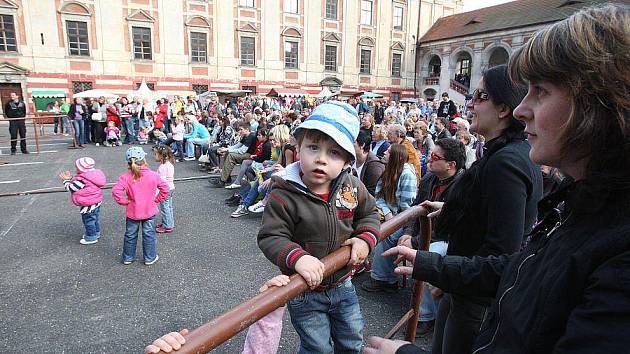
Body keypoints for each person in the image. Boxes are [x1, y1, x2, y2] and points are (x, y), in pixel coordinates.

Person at [368, 4, 630, 354]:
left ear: (597, 105)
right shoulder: (585, 200)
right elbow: (525, 266)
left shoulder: (509, 163)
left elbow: (504, 247)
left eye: (541, 90)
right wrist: (435, 264)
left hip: (474, 304)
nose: (524, 108)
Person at [258, 101, 380, 353]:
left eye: (334, 153)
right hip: (305, 289)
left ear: (347, 160)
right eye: (313, 148)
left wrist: (364, 239)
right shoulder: (284, 193)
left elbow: (369, 214)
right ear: (298, 148)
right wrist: (298, 258)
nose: (321, 160)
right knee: (317, 348)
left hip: (343, 282)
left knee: (352, 340)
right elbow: (272, 236)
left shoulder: (351, 186)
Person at [397, 138, 466, 336]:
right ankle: (382, 278)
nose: (428, 158)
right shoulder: (429, 178)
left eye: (435, 156)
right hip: (424, 233)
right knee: (390, 236)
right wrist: (408, 233)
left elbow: (450, 228)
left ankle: (426, 315)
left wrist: (416, 241)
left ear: (451, 165)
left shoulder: (463, 186)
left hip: (448, 240)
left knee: (427, 257)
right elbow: (416, 209)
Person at [362, 144, 417, 292]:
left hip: (404, 220)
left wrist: (393, 220)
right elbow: (378, 197)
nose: (384, 152)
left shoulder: (407, 175)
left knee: (386, 235)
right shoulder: (388, 170)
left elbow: (408, 208)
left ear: (395, 156)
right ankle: (361, 263)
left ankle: (385, 279)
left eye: (388, 151)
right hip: (389, 215)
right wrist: (387, 213)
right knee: (363, 223)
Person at [112, 147, 169, 265]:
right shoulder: (153, 175)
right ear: (144, 159)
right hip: (149, 211)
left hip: (133, 212)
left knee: (130, 235)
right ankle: (150, 257)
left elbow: (116, 191)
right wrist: (156, 200)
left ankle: (128, 257)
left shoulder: (125, 177)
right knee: (149, 235)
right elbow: (165, 189)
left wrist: (123, 201)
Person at [58, 157, 106, 245]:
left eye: (77, 168)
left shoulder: (82, 180)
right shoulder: (92, 175)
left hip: (88, 205)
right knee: (95, 219)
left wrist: (66, 180)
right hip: (96, 202)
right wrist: (72, 178)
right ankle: (96, 232)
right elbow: (79, 181)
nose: (76, 169)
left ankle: (91, 237)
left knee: (88, 220)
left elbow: (71, 187)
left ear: (81, 169)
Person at [209, 121, 256, 187]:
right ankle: (226, 177)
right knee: (228, 153)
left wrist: (228, 150)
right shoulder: (245, 136)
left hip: (250, 155)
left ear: (247, 129)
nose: (240, 131)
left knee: (231, 155)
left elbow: (242, 151)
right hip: (246, 153)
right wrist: (226, 149)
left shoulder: (251, 136)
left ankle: (222, 181)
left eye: (241, 129)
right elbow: (237, 146)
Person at [354, 129, 385, 197]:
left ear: (362, 145)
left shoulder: (375, 166)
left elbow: (371, 194)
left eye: (353, 142)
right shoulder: (351, 159)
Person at [154, 145, 176, 234]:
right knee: (169, 207)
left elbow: (161, 182)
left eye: (156, 154)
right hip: (171, 188)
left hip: (165, 190)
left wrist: (156, 193)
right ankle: (170, 223)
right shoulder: (169, 164)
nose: (154, 156)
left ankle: (167, 226)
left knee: (164, 208)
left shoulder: (162, 167)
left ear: (161, 156)